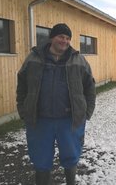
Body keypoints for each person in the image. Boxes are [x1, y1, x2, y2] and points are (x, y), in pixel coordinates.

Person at [16, 23, 96, 185]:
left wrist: (86, 112)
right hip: (40, 120)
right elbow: (22, 86)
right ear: (52, 37)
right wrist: (23, 110)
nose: (64, 41)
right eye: (61, 36)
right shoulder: (34, 58)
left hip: (70, 120)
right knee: (40, 158)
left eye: (67, 38)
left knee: (71, 156)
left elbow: (90, 87)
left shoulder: (79, 60)